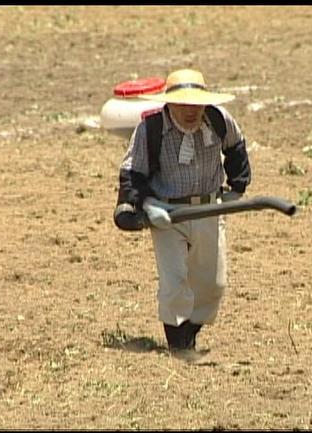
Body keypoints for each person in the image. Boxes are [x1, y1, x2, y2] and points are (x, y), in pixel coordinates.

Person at [113, 68, 251, 355]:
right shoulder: (151, 130)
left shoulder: (218, 120)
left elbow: (236, 148)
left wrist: (237, 186)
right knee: (174, 281)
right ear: (169, 103)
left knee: (213, 283)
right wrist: (148, 205)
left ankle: (189, 332)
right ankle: (178, 345)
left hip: (209, 209)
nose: (190, 111)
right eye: (183, 104)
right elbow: (133, 172)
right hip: (168, 214)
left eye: (195, 104)